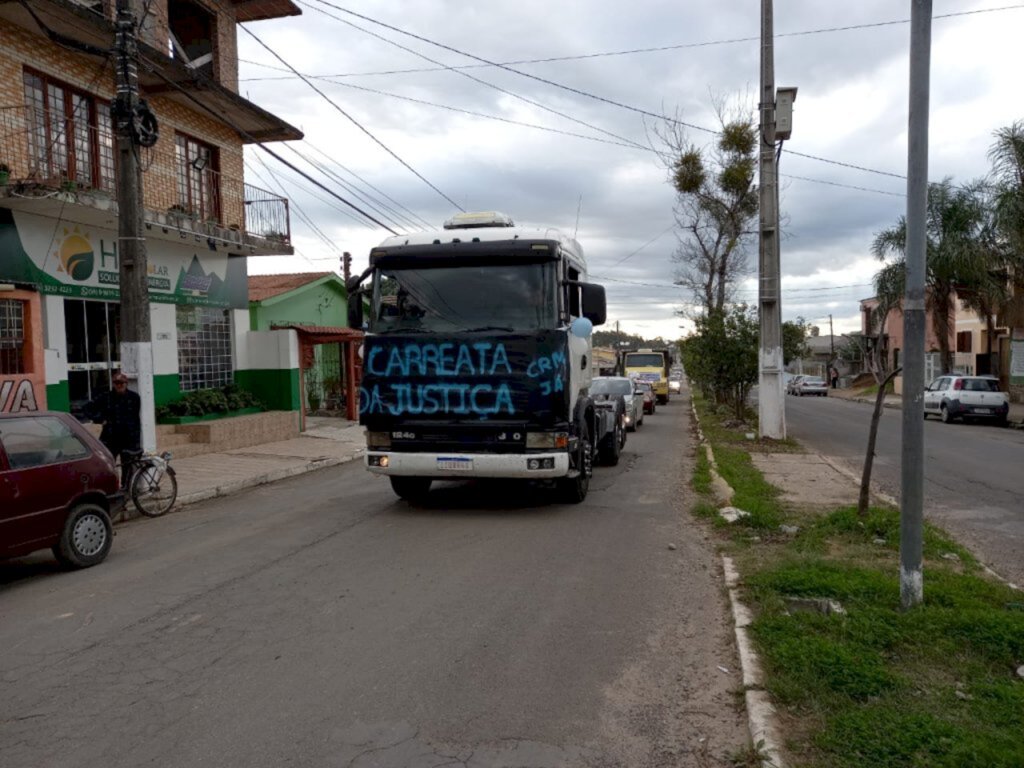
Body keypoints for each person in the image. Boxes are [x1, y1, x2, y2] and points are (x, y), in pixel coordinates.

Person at [86, 372, 142, 487]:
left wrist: (136, 439)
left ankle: (126, 490)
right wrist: (100, 419)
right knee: (107, 466)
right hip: (110, 438)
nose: (119, 385)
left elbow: (136, 419)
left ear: (126, 384)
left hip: (128, 438)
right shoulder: (106, 397)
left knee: (127, 467)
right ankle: (110, 488)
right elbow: (87, 408)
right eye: (116, 383)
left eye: (121, 383)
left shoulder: (134, 398)